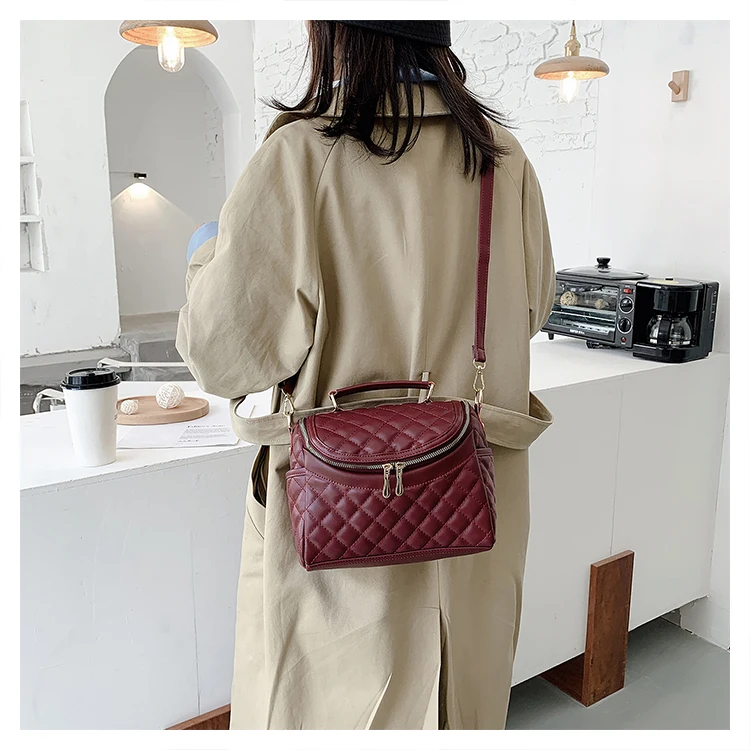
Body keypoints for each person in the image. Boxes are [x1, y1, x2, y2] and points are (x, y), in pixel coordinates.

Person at [176, 20, 555, 730]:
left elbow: (222, 357)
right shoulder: (503, 160)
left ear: (333, 31)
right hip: (472, 524)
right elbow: (533, 307)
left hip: (337, 536)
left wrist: (206, 253)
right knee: (460, 707)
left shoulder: (301, 156)